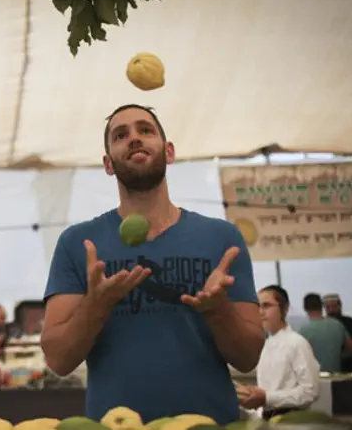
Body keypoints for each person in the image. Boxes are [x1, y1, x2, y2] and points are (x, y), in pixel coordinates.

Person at [41, 104, 265, 425]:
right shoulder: (79, 243)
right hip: (116, 425)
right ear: (108, 164)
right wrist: (96, 305)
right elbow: (59, 360)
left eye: (145, 130)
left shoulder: (222, 238)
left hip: (209, 424)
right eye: (121, 135)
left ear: (169, 152)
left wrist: (218, 310)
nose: (134, 138)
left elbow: (247, 358)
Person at [238, 286, 320, 419]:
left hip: (291, 420)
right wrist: (251, 395)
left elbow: (310, 391)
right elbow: (270, 390)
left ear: (284, 308)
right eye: (258, 306)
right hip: (267, 418)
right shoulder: (265, 345)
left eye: (267, 305)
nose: (260, 312)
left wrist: (267, 397)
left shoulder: (297, 343)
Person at [299, 293, 352, 373]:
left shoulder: (304, 331)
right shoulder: (337, 325)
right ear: (322, 306)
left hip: (316, 378)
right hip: (336, 377)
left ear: (305, 308)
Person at [322, 293, 352, 373]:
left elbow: (351, 349)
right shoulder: (321, 325)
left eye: (334, 306)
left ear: (340, 306)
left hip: (347, 368)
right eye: (328, 307)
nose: (331, 310)